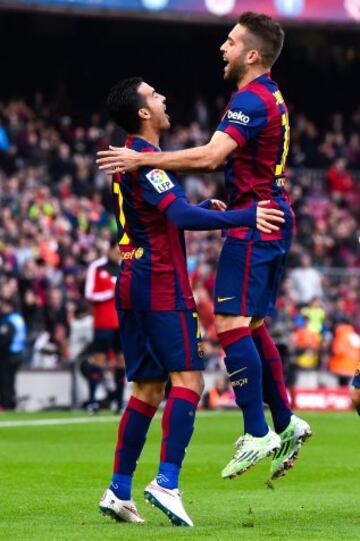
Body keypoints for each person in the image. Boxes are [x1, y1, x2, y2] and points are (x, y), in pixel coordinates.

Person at [96, 12, 312, 481]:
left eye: (231, 42)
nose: (223, 47)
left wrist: (141, 159)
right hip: (264, 212)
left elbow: (212, 156)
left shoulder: (250, 98)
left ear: (252, 54)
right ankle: (285, 421)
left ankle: (257, 432)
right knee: (251, 325)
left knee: (230, 323)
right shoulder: (267, 94)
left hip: (255, 217)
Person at [98, 77, 285, 527]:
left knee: (147, 388)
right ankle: (166, 482)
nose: (164, 98)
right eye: (155, 95)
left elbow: (169, 212)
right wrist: (246, 214)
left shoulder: (134, 160)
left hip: (132, 276)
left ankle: (119, 489)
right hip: (162, 281)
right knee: (189, 381)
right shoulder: (147, 162)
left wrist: (209, 208)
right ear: (144, 113)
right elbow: (178, 215)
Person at [85, 239, 125, 413]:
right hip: (103, 322)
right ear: (109, 250)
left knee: (121, 360)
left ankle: (119, 401)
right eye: (116, 250)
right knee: (99, 360)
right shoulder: (97, 267)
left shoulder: (125, 268)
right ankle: (93, 401)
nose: (119, 253)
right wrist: (109, 293)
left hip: (122, 322)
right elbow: (89, 293)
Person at [0, 297, 27, 410]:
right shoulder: (19, 319)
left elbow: (6, 338)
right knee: (11, 381)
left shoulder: (9, 320)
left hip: (9, 354)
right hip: (18, 353)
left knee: (5, 381)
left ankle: (7, 405)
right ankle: (11, 402)